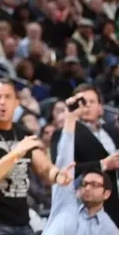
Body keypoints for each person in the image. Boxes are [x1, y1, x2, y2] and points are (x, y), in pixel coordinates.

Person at [0, 79, 74, 235]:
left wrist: (57, 175)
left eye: (8, 97)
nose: (2, 102)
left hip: (21, 221)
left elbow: (44, 167)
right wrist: (16, 153)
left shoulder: (24, 134)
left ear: (16, 103)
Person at [43, 95, 119, 235]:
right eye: (84, 184)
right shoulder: (65, 201)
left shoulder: (109, 228)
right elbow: (64, 161)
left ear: (100, 107)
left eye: (92, 102)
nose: (88, 188)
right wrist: (70, 118)